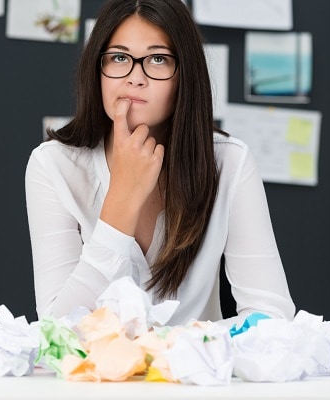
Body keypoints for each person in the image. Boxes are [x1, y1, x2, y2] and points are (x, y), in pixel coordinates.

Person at [25, 0, 294, 327]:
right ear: (97, 70)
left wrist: (176, 352)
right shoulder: (53, 165)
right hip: (95, 379)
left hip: (195, 374)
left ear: (185, 76)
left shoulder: (230, 162)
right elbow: (57, 330)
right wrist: (121, 201)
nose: (135, 78)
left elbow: (271, 318)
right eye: (119, 57)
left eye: (157, 59)